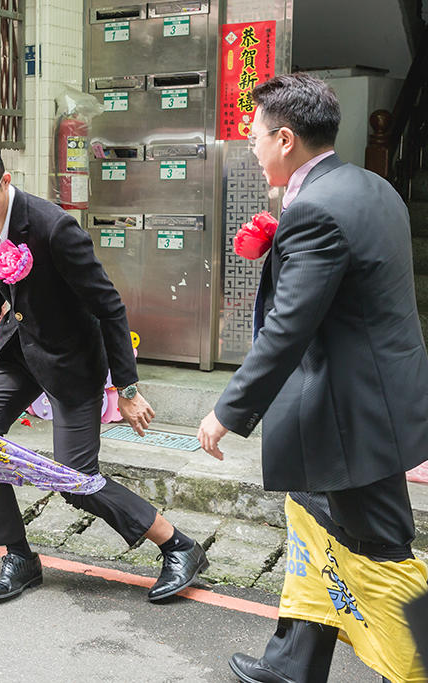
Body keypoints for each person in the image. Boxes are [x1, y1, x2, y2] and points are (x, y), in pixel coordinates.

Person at [197, 74, 428, 683]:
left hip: (353, 418)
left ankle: (414, 667)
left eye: (254, 135)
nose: (250, 145)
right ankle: (293, 664)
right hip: (371, 402)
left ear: (285, 138)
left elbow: (287, 328)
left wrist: (229, 410)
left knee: (382, 549)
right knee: (319, 525)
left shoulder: (316, 210)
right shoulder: (372, 186)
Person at [0, 133, 208, 603]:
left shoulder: (54, 228)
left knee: (76, 480)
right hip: (18, 353)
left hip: (71, 360)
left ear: (5, 180)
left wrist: (127, 389)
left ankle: (179, 546)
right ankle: (19, 555)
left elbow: (109, 306)